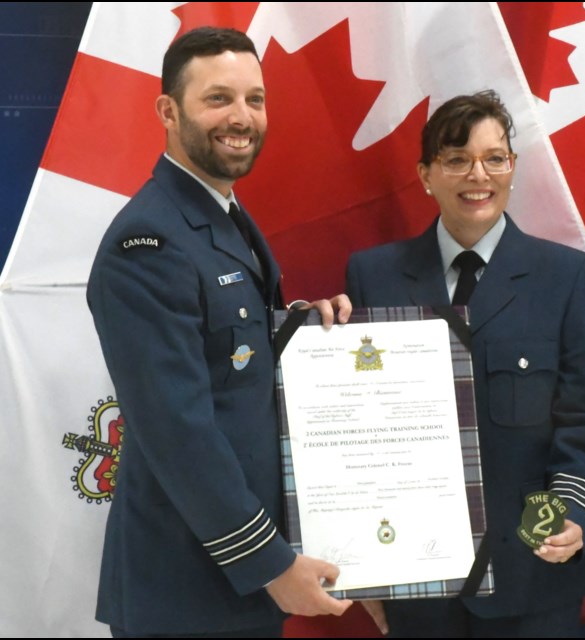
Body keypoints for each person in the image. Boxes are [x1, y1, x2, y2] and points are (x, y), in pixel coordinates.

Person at [87, 27, 352, 637]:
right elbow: (177, 428)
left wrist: (302, 329)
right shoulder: (146, 244)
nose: (242, 117)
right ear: (168, 111)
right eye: (218, 99)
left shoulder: (217, 216)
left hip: (230, 587)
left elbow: (227, 354)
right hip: (187, 587)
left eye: (255, 99)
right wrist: (269, 562)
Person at [345, 90, 585, 637]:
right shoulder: (372, 276)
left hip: (532, 567)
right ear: (426, 174)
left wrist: (575, 510)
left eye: (495, 158)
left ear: (512, 167)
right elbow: (361, 431)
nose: (479, 175)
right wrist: (363, 569)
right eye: (457, 159)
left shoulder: (567, 277)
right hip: (418, 576)